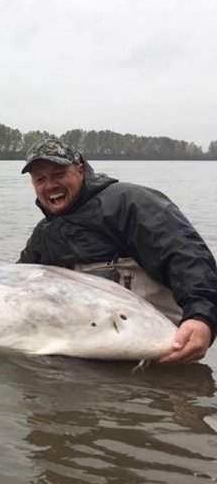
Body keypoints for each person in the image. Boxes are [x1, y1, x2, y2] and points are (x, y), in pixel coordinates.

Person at [18, 136, 217, 364]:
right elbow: (16, 283)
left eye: (58, 174)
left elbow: (187, 257)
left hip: (164, 348)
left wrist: (202, 317)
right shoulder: (43, 235)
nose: (50, 185)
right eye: (40, 179)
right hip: (91, 355)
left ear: (81, 170)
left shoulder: (128, 202)